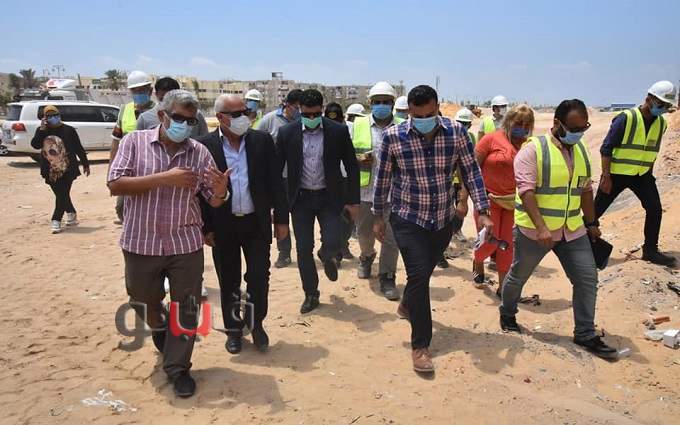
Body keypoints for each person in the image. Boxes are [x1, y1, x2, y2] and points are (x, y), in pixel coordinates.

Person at [107, 89, 231, 398]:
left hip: (184, 242)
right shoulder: (133, 142)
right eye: (178, 118)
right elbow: (115, 184)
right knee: (141, 298)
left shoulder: (199, 152)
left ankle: (178, 368)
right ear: (162, 115)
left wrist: (220, 191)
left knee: (186, 307)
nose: (184, 125)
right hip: (141, 241)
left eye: (191, 121)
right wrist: (165, 178)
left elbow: (212, 200)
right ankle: (160, 325)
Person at [373, 85, 492, 373]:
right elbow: (383, 178)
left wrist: (483, 210)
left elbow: (471, 172)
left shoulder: (456, 133)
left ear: (438, 108)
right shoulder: (394, 137)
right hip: (407, 217)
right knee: (418, 276)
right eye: (418, 116)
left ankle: (407, 304)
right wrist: (378, 216)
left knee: (422, 273)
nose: (424, 120)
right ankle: (420, 346)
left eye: (429, 115)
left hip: (441, 218)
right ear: (409, 113)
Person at [500, 99, 617, 360]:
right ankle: (507, 313)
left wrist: (592, 223)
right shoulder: (533, 150)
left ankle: (585, 333)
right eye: (573, 128)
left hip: (572, 230)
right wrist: (542, 228)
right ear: (557, 124)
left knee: (587, 279)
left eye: (583, 128)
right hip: (535, 233)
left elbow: (585, 190)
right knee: (518, 276)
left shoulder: (581, 150)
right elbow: (526, 192)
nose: (578, 133)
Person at [198, 94, 289, 355]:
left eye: (246, 112)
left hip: (256, 222)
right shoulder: (204, 146)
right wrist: (206, 227)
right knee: (229, 279)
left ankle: (256, 323)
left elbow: (275, 182)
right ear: (220, 117)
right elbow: (200, 192)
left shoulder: (261, 141)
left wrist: (281, 219)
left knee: (259, 277)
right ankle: (234, 331)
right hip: (223, 224)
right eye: (236, 114)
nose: (244, 118)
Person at [276, 89, 360, 314]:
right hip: (300, 200)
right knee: (304, 249)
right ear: (299, 111)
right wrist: (278, 205)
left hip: (329, 197)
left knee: (334, 241)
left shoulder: (338, 131)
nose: (311, 118)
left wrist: (353, 200)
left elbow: (351, 166)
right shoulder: (286, 133)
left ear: (322, 110)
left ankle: (327, 253)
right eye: (307, 114)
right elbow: (276, 169)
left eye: (315, 114)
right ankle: (311, 293)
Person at [594, 81, 677, 266]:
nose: (664, 109)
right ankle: (580, 250)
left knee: (655, 209)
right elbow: (606, 148)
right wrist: (606, 176)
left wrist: (650, 174)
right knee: (594, 213)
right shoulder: (626, 118)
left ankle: (650, 251)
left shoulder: (661, 123)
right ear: (649, 99)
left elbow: (651, 150)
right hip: (616, 175)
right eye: (661, 104)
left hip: (642, 175)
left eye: (667, 106)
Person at [349, 81, 404, 300]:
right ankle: (366, 256)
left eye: (386, 102)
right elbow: (345, 157)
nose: (381, 105)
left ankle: (387, 277)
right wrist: (358, 160)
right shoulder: (357, 125)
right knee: (364, 234)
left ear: (392, 103)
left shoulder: (403, 126)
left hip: (394, 193)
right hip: (366, 192)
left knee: (391, 239)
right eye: (377, 101)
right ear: (370, 103)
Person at [470, 105, 533, 295]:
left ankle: (503, 286)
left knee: (508, 244)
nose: (522, 128)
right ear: (509, 122)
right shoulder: (491, 139)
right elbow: (471, 169)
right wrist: (464, 199)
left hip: (514, 203)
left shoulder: (530, 145)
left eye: (526, 125)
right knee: (489, 242)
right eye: (518, 123)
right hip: (488, 200)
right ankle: (478, 260)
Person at [258, 89, 303, 269]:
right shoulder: (269, 120)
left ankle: (304, 251)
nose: (299, 111)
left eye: (301, 108)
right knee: (280, 215)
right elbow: (255, 142)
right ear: (287, 105)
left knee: (300, 215)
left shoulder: (304, 121)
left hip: (299, 178)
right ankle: (284, 253)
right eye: (296, 107)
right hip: (277, 178)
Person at [30, 105, 90, 234]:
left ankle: (56, 219)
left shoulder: (69, 130)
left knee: (62, 194)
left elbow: (78, 147)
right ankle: (71, 212)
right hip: (50, 169)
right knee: (61, 194)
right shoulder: (42, 130)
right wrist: (41, 130)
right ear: (45, 118)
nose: (53, 118)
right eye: (49, 116)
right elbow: (35, 145)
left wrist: (85, 163)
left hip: (68, 168)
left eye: (55, 115)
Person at [110, 70, 156, 224]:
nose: (139, 94)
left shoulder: (159, 111)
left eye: (142, 90)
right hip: (128, 167)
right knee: (121, 206)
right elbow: (116, 141)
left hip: (151, 167)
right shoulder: (124, 110)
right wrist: (111, 170)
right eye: (135, 91)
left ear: (150, 90)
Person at [325, 102, 355, 261]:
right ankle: (332, 248)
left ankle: (344, 244)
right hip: (328, 180)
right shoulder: (319, 131)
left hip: (347, 179)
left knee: (347, 216)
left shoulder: (350, 129)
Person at [137, 77, 209, 139]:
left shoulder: (196, 115)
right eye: (162, 99)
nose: (166, 104)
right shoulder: (144, 118)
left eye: (189, 121)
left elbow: (205, 138)